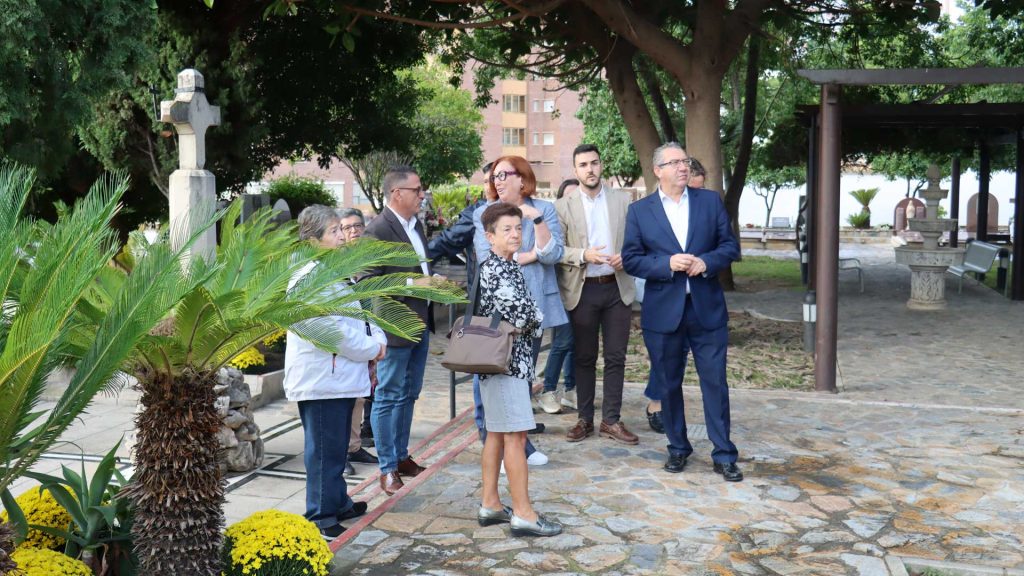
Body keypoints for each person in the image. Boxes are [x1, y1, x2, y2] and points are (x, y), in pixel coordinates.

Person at [622, 143, 744, 482]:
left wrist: (707, 262)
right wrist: (667, 263)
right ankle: (678, 448)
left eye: (685, 161)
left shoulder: (709, 202)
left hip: (707, 310)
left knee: (715, 383)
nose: (682, 167)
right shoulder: (640, 211)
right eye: (674, 162)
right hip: (663, 313)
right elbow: (631, 259)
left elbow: (729, 246)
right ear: (657, 170)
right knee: (667, 384)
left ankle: (724, 454)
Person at [284, 205, 387, 540]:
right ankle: (321, 514)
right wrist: (371, 348)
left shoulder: (333, 272)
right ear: (313, 240)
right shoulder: (307, 278)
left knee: (337, 447)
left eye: (341, 229)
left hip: (340, 378)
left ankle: (338, 502)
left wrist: (378, 339)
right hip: (322, 380)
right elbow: (329, 332)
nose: (343, 236)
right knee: (325, 452)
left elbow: (359, 316)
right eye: (334, 231)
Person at [475, 202, 563, 537]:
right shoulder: (497, 269)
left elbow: (523, 314)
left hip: (506, 364)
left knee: (497, 434)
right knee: (515, 435)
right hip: (505, 366)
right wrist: (536, 317)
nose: (515, 234)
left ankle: (491, 503)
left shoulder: (506, 265)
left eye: (517, 227)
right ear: (490, 236)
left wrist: (530, 315)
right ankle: (524, 513)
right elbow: (523, 316)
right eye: (507, 229)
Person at [364, 165, 446, 496]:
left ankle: (401, 457)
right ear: (397, 193)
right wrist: (414, 283)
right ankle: (386, 468)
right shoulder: (377, 230)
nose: (422, 195)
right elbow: (368, 281)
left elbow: (419, 269)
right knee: (388, 395)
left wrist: (432, 282)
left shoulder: (416, 226)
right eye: (417, 189)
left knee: (410, 393)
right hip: (394, 326)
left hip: (420, 324)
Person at [473, 156, 569, 435]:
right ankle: (488, 431)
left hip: (533, 304)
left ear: (522, 178)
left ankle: (520, 435)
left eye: (504, 175)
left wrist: (535, 219)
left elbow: (553, 254)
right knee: (490, 368)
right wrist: (528, 256)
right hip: (498, 307)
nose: (497, 181)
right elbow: (487, 257)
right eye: (495, 176)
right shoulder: (485, 213)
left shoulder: (543, 209)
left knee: (524, 371)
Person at [554, 145, 638, 445]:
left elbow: (637, 241)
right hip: (583, 289)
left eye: (594, 163)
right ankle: (585, 419)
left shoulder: (623, 200)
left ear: (601, 165)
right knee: (584, 356)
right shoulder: (562, 206)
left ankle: (611, 420)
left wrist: (627, 257)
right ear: (575, 170)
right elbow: (556, 249)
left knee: (616, 356)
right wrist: (583, 254)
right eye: (583, 165)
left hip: (617, 287)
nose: (590, 169)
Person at [643, 155, 707, 434]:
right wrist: (668, 264)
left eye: (699, 187)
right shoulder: (650, 212)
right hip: (665, 295)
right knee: (667, 356)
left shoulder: (704, 208)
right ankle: (656, 402)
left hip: (699, 297)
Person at [335, 208, 379, 473]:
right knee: (346, 399)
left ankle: (353, 446)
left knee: (361, 395)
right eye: (346, 227)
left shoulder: (368, 255)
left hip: (365, 330)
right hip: (343, 338)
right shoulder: (334, 261)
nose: (353, 232)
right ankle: (340, 454)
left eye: (357, 226)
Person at [537, 179, 579, 414]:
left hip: (581, 289)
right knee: (563, 341)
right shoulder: (552, 220)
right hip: (560, 289)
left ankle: (571, 389)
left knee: (574, 342)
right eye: (568, 196)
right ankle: (548, 390)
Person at [428, 162, 491, 283]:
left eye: (493, 180)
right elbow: (446, 241)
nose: (489, 187)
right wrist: (416, 266)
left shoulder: (528, 211)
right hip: (483, 288)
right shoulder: (477, 213)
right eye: (486, 182)